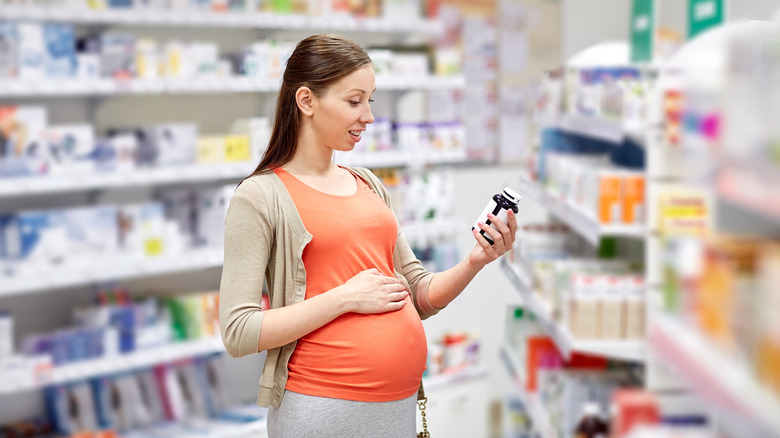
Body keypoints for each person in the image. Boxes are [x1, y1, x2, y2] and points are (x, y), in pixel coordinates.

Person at [219, 33, 517, 437]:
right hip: (323, 410)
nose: (368, 116)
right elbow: (238, 331)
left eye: (370, 101)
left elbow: (419, 294)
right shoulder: (260, 196)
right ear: (306, 101)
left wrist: (475, 261)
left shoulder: (369, 184)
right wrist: (345, 298)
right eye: (354, 101)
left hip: (396, 408)